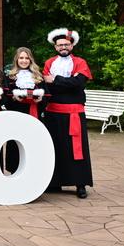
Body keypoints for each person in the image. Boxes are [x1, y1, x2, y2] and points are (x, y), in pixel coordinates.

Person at [42, 28, 93, 199]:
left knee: (76, 150)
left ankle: (80, 184)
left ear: (72, 45)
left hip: (74, 113)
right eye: (60, 45)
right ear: (55, 47)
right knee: (55, 147)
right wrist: (68, 82)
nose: (63, 47)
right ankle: (55, 183)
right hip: (53, 113)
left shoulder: (80, 62)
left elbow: (79, 83)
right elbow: (47, 85)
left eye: (66, 44)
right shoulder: (49, 63)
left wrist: (56, 80)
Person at [3, 47, 46, 173]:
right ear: (16, 60)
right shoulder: (10, 78)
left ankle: (34, 172)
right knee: (16, 144)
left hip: (34, 114)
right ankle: (14, 171)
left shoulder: (38, 77)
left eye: (27, 58)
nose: (24, 60)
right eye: (21, 58)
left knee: (33, 144)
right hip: (16, 116)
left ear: (31, 60)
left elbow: (47, 96)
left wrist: (40, 100)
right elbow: (5, 99)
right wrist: (14, 98)